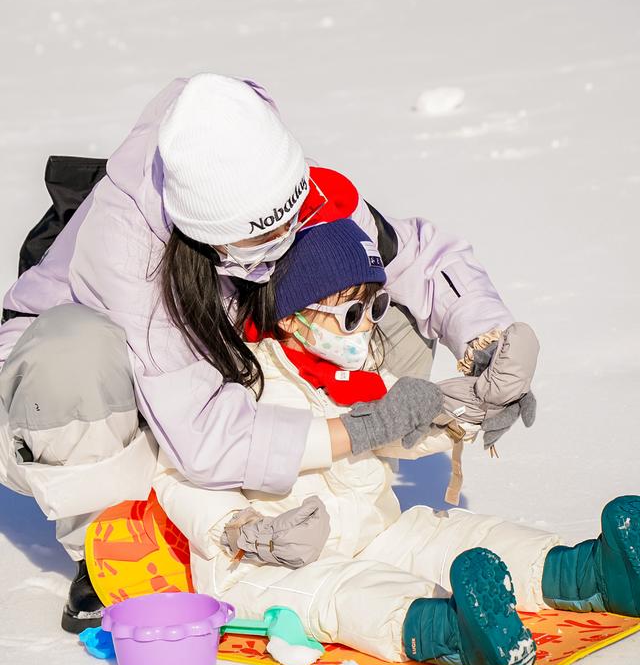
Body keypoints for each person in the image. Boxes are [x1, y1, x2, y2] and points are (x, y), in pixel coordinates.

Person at [0, 73, 537, 632]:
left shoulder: (266, 170)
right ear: (202, 231)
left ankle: (326, 497)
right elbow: (202, 436)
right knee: (74, 355)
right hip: (85, 397)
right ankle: (114, 547)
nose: (284, 237)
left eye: (291, 217)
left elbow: (419, 260)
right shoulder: (126, 247)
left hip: (220, 370)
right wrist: (360, 429)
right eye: (260, 239)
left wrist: (488, 341)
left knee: (374, 295)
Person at [149, 219, 640, 665]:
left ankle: (588, 572)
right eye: (352, 314)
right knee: (348, 594)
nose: (367, 327)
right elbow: (178, 471)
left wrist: (466, 409)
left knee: (451, 537)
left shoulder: (350, 375)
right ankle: (449, 632)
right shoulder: (241, 383)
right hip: (269, 566)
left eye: (375, 308)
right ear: (295, 318)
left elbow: (400, 425)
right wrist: (243, 529)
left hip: (373, 531)